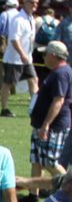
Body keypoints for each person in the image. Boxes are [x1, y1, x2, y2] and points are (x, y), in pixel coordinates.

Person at [30, 40, 72, 184]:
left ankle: (69, 188)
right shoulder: (56, 72)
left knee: (50, 161)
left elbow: (58, 101)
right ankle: (33, 193)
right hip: (41, 123)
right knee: (36, 159)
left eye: (45, 54)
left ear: (53, 55)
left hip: (53, 126)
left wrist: (46, 125)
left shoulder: (61, 74)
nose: (44, 57)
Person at [0, 0, 38, 119]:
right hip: (14, 58)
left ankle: (34, 107)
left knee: (34, 80)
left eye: (37, 3)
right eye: (32, 2)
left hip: (27, 58)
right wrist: (22, 54)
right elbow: (14, 40)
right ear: (25, 2)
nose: (35, 5)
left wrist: (27, 55)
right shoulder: (18, 19)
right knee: (8, 83)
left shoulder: (31, 18)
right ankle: (4, 109)